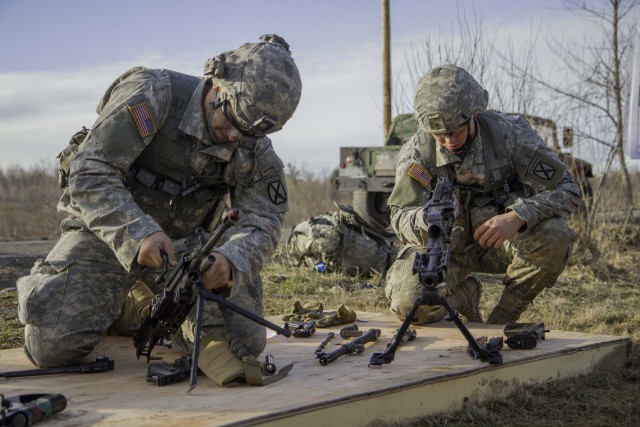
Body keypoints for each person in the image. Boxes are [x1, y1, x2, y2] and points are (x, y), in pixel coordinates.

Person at [16, 34, 302, 386]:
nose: (233, 138)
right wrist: (138, 234)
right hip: (107, 235)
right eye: (230, 122)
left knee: (245, 344)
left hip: (187, 253)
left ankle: (139, 303)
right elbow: (90, 172)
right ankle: (123, 302)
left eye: (246, 133)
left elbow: (265, 220)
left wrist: (230, 261)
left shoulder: (255, 149)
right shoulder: (153, 94)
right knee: (52, 348)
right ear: (217, 83)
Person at [385, 64, 581, 325]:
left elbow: (568, 189)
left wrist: (518, 216)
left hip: (501, 241)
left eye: (456, 129)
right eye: (439, 134)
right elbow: (399, 216)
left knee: (555, 237)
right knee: (410, 306)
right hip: (446, 248)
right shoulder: (417, 154)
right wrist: (428, 218)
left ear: (474, 114)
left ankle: (502, 320)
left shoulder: (509, 135)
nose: (448, 140)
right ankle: (465, 296)